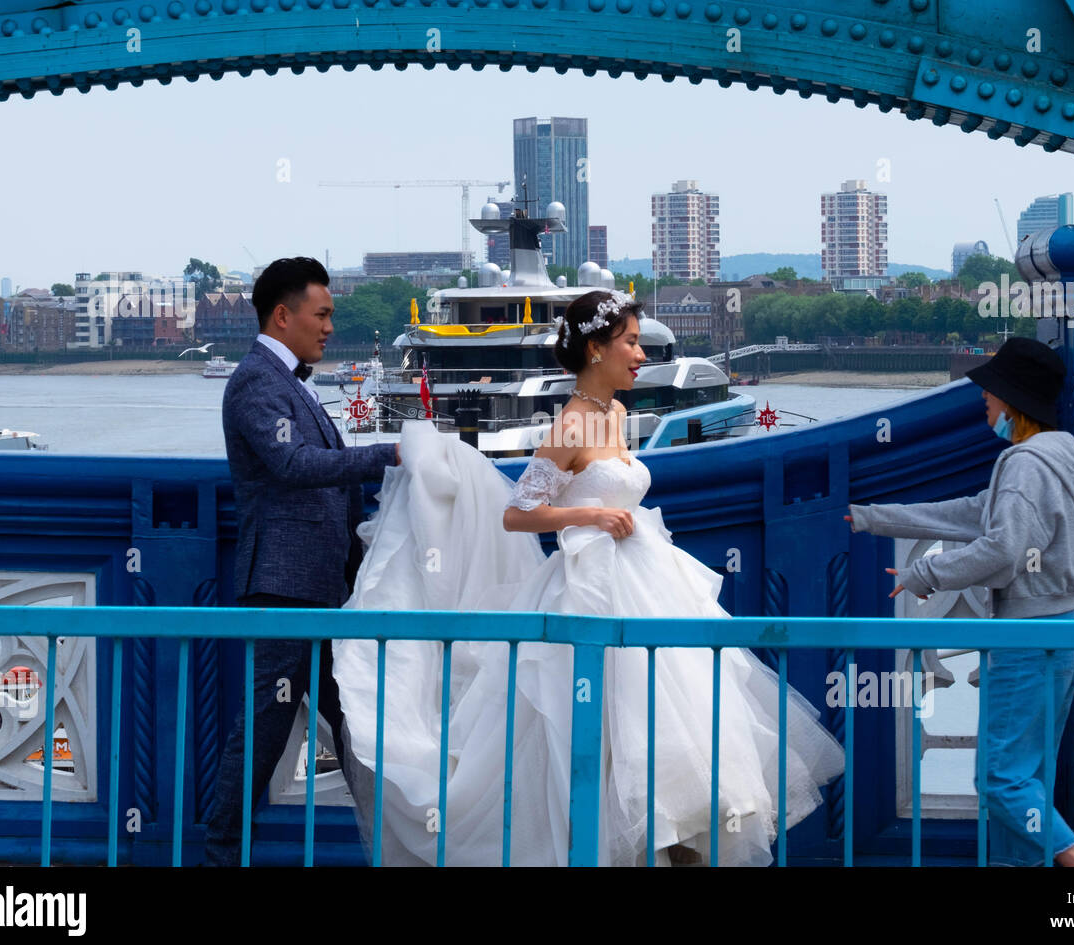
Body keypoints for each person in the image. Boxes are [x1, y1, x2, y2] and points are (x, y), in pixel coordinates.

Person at [332, 289, 844, 866]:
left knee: (677, 734)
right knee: (609, 730)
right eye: (630, 343)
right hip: (592, 589)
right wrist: (590, 515)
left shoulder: (619, 415)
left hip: (648, 583)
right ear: (597, 350)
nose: (640, 355)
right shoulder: (571, 425)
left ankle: (671, 845)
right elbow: (517, 513)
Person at [846, 336, 1074, 866]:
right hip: (1061, 629)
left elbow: (1002, 550)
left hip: (1026, 636)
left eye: (989, 391)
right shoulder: (1059, 457)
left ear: (1012, 400)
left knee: (1000, 778)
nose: (983, 401)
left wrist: (926, 572)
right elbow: (973, 513)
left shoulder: (1025, 464)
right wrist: (875, 518)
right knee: (1028, 775)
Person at [205, 257, 400, 866]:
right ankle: (217, 853)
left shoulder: (289, 381)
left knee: (362, 727)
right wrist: (387, 455)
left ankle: (394, 848)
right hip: (285, 591)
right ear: (283, 315)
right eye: (322, 315)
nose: (328, 328)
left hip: (320, 590)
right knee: (260, 737)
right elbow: (292, 468)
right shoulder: (257, 381)